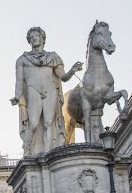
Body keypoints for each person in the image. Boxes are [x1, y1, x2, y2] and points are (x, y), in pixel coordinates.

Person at [10, 27, 83, 155]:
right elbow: (19, 82)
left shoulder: (53, 57)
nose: (34, 39)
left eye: (36, 36)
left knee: (49, 122)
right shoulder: (22, 60)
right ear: (29, 41)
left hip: (50, 91)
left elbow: (63, 77)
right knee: (33, 123)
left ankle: (49, 153)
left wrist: (72, 70)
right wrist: (17, 97)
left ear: (42, 38)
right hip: (33, 90)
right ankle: (28, 151)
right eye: (31, 37)